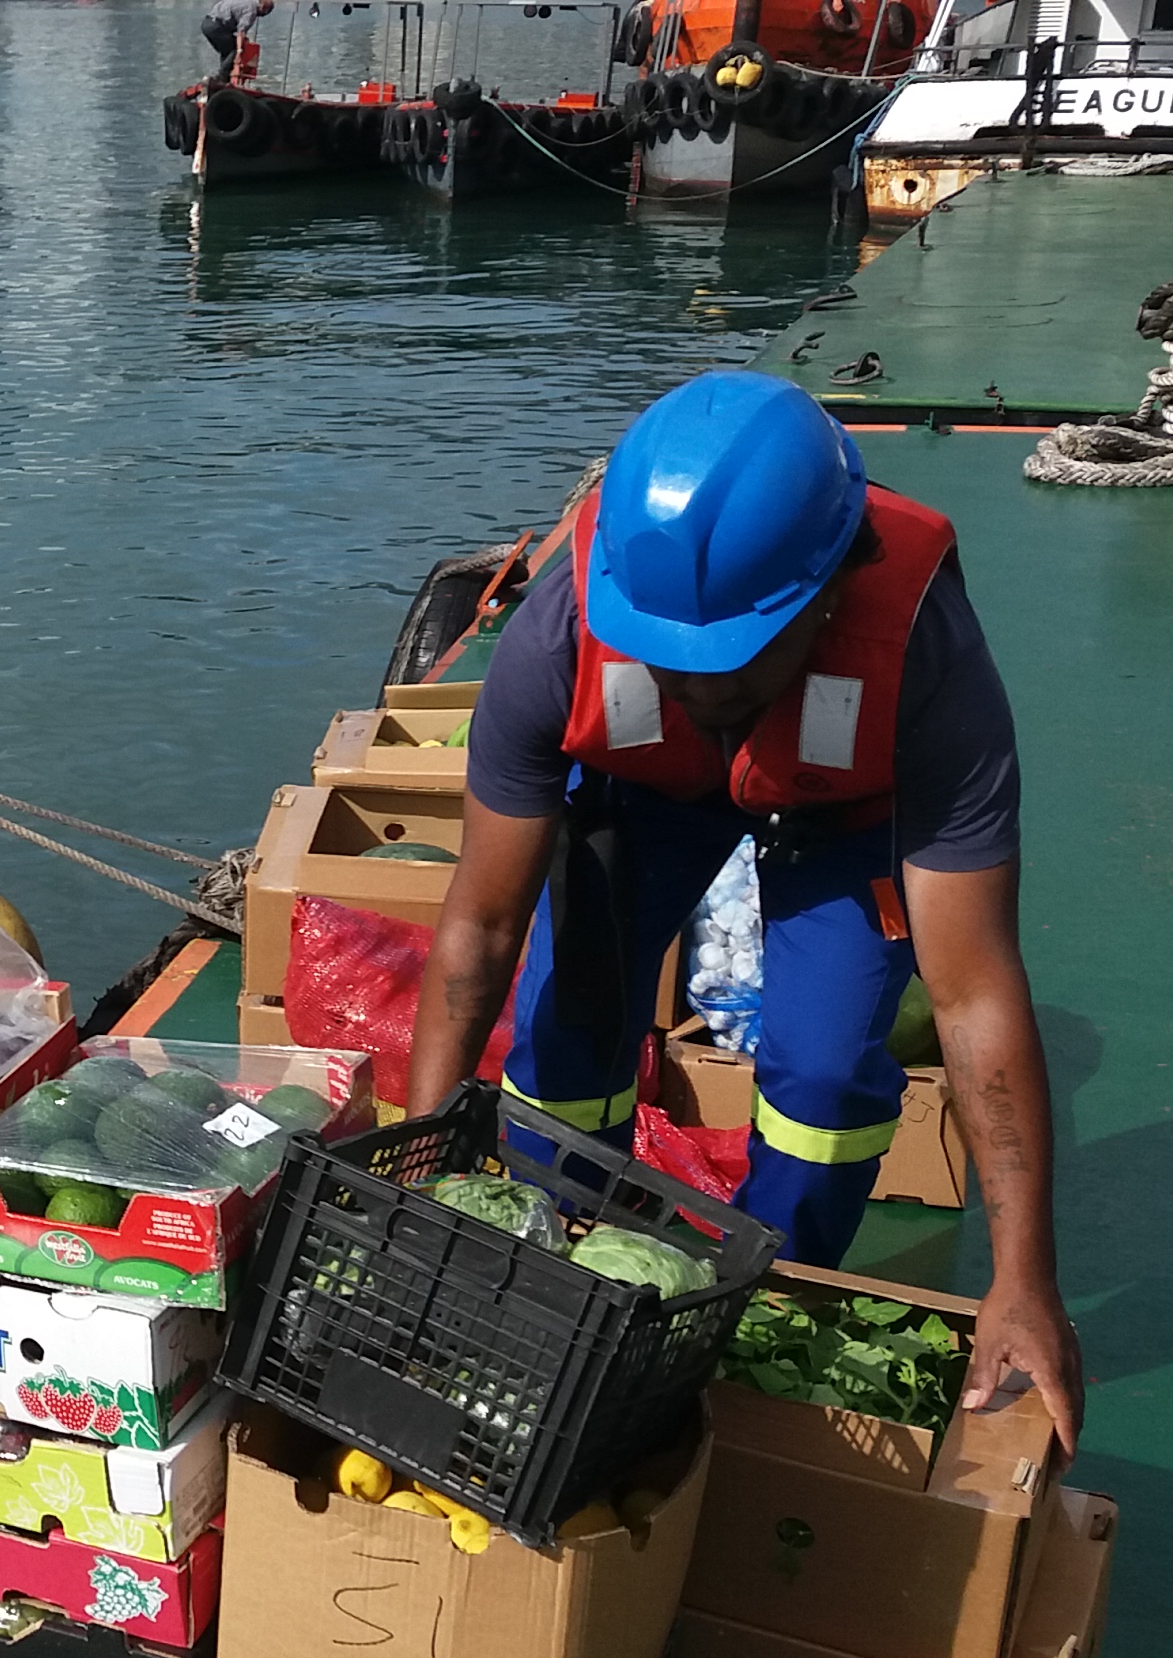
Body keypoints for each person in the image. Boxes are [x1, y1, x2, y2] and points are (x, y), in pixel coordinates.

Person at [406, 370, 1084, 1458]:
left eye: (729, 661)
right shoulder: (559, 641)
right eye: (666, 658)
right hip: (640, 788)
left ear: (827, 592)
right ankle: (562, 1266)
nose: (695, 687)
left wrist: (1024, 1279)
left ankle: (761, 1304)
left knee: (824, 1072)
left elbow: (972, 990)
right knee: (568, 1023)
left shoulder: (926, 662)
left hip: (842, 803)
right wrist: (422, 1171)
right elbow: (479, 932)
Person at [203, 0, 273, 81]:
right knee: (234, 49)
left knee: (226, 51)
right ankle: (221, 77)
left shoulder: (246, 2)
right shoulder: (252, 11)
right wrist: (239, 51)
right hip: (216, 27)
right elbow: (241, 32)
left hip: (207, 23)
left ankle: (224, 77)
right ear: (263, 8)